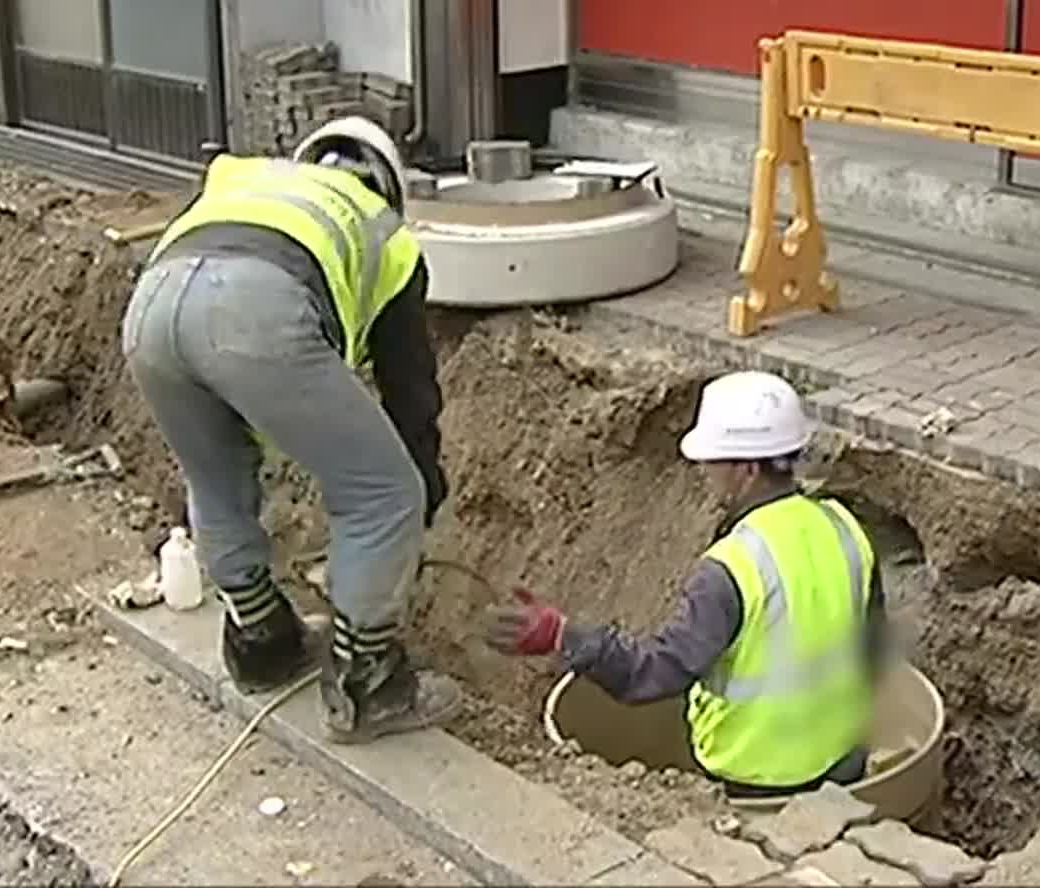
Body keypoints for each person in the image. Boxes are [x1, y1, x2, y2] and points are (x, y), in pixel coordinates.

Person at [121, 117, 457, 743]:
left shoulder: (248, 179)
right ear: (388, 185)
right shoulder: (387, 236)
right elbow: (409, 396)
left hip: (151, 308)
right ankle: (369, 683)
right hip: (255, 313)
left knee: (214, 479)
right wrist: (420, 491)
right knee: (384, 494)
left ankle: (262, 642)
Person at [482, 371, 887, 797]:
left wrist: (563, 635)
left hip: (760, 772)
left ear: (746, 469)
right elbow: (873, 645)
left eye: (711, 460)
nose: (701, 472)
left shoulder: (734, 567)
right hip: (843, 759)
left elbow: (656, 673)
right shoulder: (845, 528)